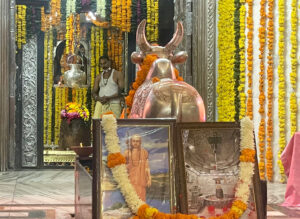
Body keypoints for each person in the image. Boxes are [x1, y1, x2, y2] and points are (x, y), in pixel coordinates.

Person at [124, 134, 151, 202]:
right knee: (131, 199)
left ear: (140, 142)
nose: (135, 143)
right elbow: (123, 167)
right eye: (134, 141)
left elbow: (147, 167)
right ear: (131, 142)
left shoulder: (144, 152)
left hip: (141, 180)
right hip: (130, 180)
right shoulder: (127, 152)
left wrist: (149, 178)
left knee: (141, 199)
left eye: (137, 141)